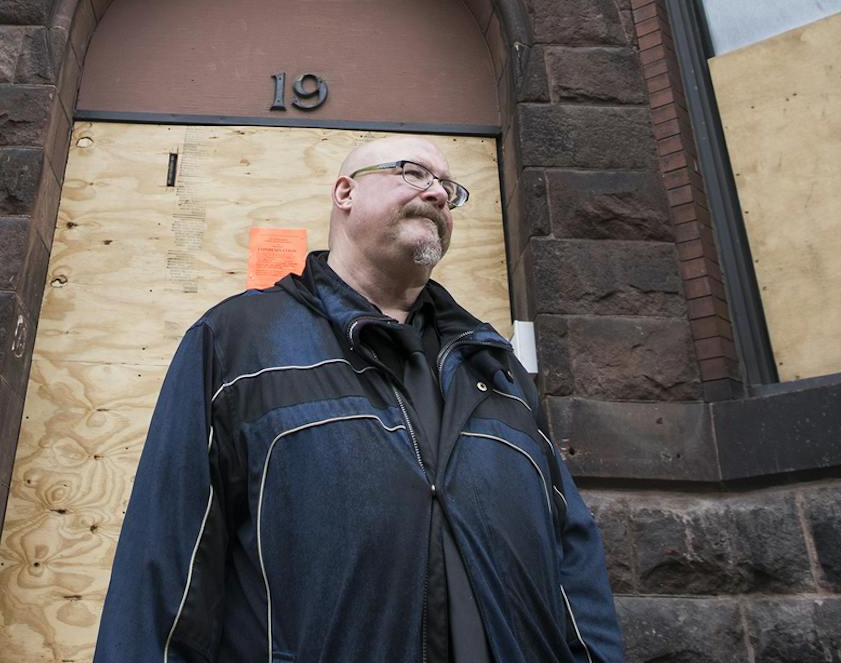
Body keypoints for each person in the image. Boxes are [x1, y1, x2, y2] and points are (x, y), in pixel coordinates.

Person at [94, 134, 624, 662]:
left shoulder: (493, 364)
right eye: (414, 173)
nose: (438, 193)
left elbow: (572, 559)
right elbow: (167, 564)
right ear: (345, 192)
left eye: (449, 187)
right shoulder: (238, 341)